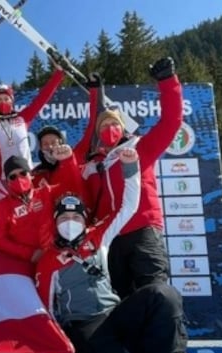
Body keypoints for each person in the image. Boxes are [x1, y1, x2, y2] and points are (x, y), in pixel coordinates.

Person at [35, 148, 191, 353]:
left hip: (114, 314)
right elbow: (47, 309)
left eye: (76, 216)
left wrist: (130, 170)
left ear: (85, 220)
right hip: (85, 325)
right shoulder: (48, 260)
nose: (70, 221)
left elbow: (128, 206)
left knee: (164, 295)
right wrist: (67, 344)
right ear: (55, 221)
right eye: (64, 216)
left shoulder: (98, 237)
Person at [82, 57, 183, 300]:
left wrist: (168, 82)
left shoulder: (141, 149)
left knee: (156, 295)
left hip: (143, 232)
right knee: (120, 299)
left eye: (113, 124)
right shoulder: (95, 166)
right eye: (103, 126)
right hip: (112, 237)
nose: (109, 129)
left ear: (122, 128)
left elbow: (171, 122)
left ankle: (161, 339)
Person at [0, 153, 76, 353]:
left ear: (31, 174)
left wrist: (67, 160)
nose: (19, 179)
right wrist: (29, 254)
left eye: (22, 173)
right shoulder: (1, 206)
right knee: (28, 317)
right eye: (12, 176)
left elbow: (72, 184)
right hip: (24, 269)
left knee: (64, 310)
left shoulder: (47, 192)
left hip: (55, 264)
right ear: (7, 181)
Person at [0, 63, 64, 200]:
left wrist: (58, 74)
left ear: (12, 101)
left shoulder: (23, 118)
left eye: (6, 98)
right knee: (5, 216)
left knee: (31, 214)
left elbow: (42, 98)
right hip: (1, 180)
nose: (3, 102)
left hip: (27, 175)